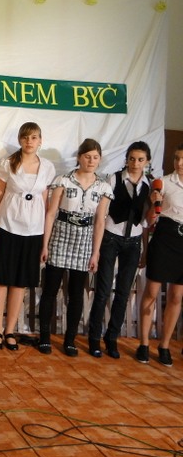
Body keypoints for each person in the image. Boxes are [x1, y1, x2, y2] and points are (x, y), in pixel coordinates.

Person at [0, 122, 56, 351]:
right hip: (6, 226)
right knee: (0, 279)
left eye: (33, 137)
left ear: (40, 140)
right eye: (25, 137)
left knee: (20, 282)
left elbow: (46, 204)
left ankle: (10, 330)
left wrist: (45, 242)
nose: (29, 141)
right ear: (20, 140)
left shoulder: (48, 167)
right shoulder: (8, 163)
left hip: (33, 231)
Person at [38, 139, 113, 356]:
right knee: (50, 289)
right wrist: (45, 244)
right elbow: (51, 213)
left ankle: (70, 340)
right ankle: (44, 337)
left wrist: (95, 252)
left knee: (76, 293)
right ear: (79, 157)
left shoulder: (103, 187)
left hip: (85, 240)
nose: (91, 161)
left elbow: (100, 222)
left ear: (100, 159)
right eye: (87, 156)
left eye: (95, 157)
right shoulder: (63, 180)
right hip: (61, 235)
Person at [87, 142, 152, 358]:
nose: (135, 163)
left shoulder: (149, 184)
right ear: (126, 159)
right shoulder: (113, 179)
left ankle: (111, 338)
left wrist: (144, 249)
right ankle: (94, 338)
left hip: (133, 241)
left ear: (147, 161)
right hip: (110, 237)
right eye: (132, 158)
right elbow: (101, 213)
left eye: (140, 159)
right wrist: (96, 247)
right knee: (103, 290)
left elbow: (145, 221)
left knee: (123, 293)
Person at [136, 143, 183, 366]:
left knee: (176, 296)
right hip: (164, 237)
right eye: (176, 158)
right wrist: (155, 206)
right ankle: (144, 343)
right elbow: (148, 220)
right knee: (152, 292)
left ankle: (164, 346)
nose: (179, 163)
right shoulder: (163, 182)